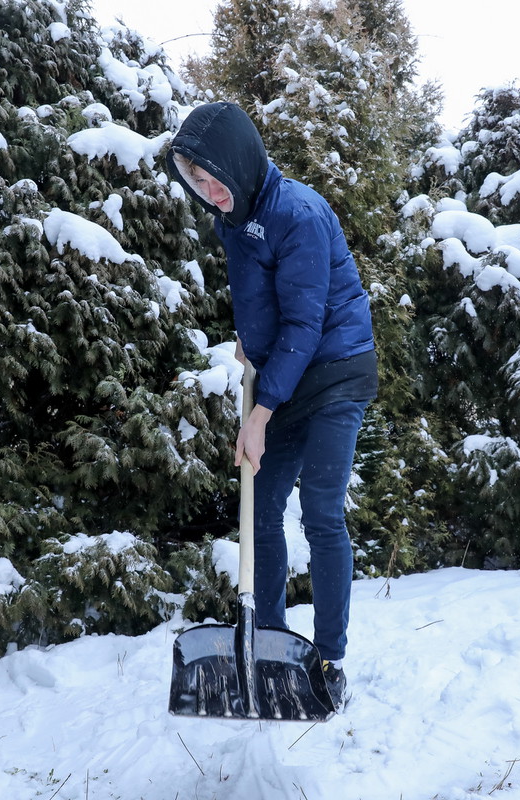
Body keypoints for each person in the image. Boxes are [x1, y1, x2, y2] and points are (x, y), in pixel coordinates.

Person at [167, 102, 378, 708]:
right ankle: (269, 648)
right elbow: (263, 298)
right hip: (282, 373)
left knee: (320, 513)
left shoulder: (300, 214)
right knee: (258, 507)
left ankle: (330, 658)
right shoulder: (231, 218)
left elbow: (306, 322)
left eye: (213, 179)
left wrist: (260, 415)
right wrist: (249, 345)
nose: (208, 194)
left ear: (239, 163)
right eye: (196, 184)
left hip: (336, 370)